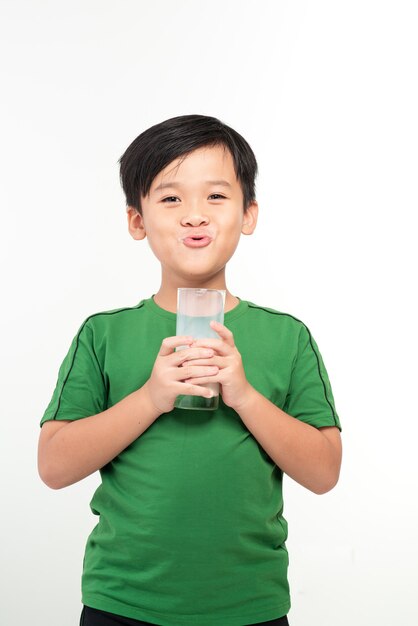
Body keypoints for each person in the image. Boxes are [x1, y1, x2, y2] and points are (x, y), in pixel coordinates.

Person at [38, 114, 342, 626]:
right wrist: (151, 397)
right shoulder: (103, 334)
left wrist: (244, 395)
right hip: (124, 601)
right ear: (137, 220)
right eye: (171, 198)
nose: (194, 216)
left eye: (216, 197)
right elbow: (53, 466)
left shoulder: (288, 337)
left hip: (250, 606)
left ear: (249, 213)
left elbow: (324, 471)